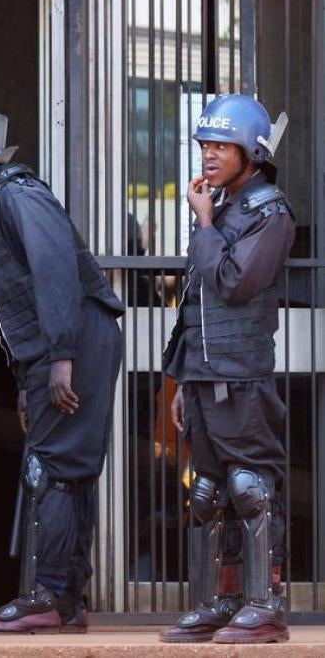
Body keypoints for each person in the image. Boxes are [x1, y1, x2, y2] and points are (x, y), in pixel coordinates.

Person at [0, 110, 124, 633]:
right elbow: (22, 300)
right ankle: (69, 599)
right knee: (69, 469)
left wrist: (61, 356)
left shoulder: (17, 194)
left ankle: (49, 595)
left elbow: (54, 268)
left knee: (53, 467)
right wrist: (26, 377)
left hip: (75, 339)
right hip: (66, 342)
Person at [159, 95, 293, 645]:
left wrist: (205, 222)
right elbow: (195, 302)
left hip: (241, 373)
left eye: (221, 146)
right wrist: (181, 378)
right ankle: (223, 600)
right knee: (208, 491)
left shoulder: (269, 212)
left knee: (250, 486)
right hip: (205, 374)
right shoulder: (225, 209)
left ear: (252, 153)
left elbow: (235, 283)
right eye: (205, 145)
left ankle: (266, 605)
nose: (209, 155)